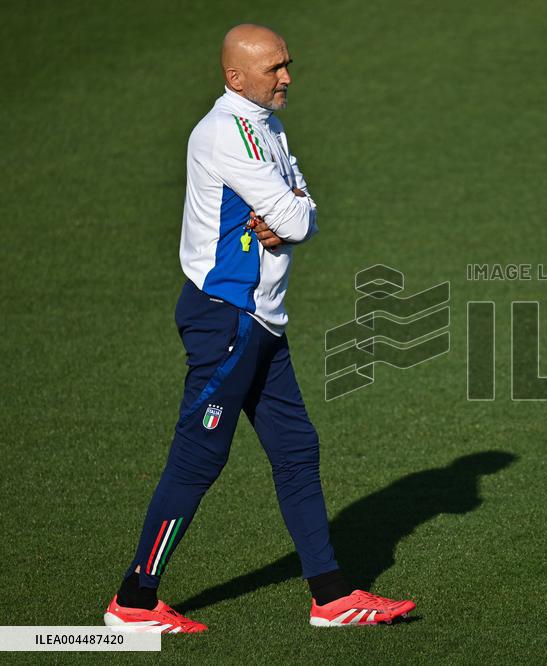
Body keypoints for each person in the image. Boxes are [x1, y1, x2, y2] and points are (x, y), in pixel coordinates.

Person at [102, 23, 415, 632]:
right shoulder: (225, 133)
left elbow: (304, 211)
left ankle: (330, 596)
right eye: (274, 69)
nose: (288, 77)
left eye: (287, 64)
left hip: (261, 320)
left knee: (297, 450)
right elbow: (294, 217)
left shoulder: (267, 124)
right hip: (227, 318)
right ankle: (133, 602)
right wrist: (290, 211)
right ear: (235, 77)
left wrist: (292, 209)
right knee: (198, 459)